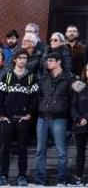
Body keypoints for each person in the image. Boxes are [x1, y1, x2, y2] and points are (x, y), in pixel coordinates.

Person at [0, 49, 38, 186]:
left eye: (25, 58)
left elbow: (34, 99)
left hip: (23, 118)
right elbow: (1, 96)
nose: (22, 60)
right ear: (15, 59)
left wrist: (29, 114)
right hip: (8, 118)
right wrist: (2, 115)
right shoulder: (7, 76)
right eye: (20, 58)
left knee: (23, 148)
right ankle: (3, 176)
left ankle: (21, 176)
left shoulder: (31, 77)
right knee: (4, 148)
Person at [34, 53, 73, 186]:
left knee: (61, 151)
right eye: (47, 60)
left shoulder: (69, 79)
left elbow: (75, 97)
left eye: (51, 60)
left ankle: (61, 180)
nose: (48, 63)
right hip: (42, 118)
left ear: (59, 62)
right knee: (40, 151)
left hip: (59, 119)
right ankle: (40, 181)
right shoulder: (44, 78)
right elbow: (39, 96)